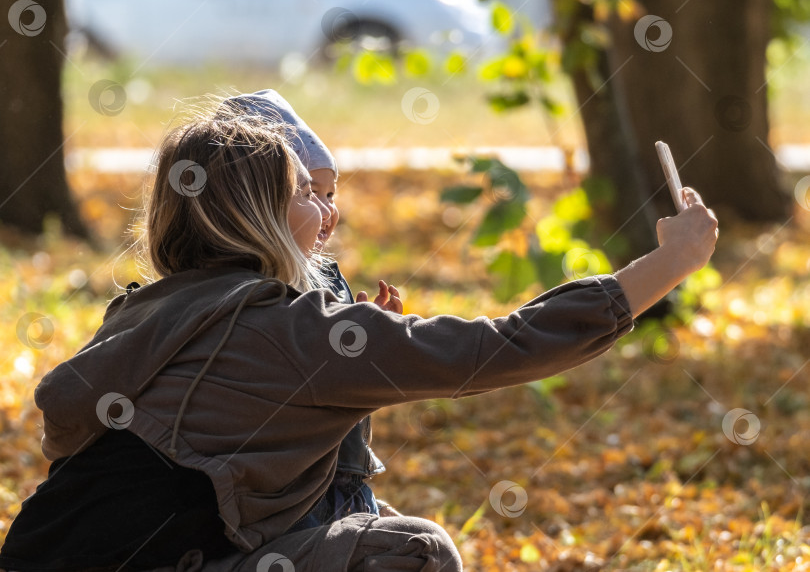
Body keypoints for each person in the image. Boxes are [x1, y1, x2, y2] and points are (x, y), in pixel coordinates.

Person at [0, 101, 718, 572]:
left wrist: (359, 349)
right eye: (306, 193)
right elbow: (504, 343)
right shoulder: (298, 331)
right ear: (259, 219)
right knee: (413, 550)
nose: (327, 212)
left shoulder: (139, 313)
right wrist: (668, 263)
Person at [223, 89, 403, 528]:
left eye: (330, 193)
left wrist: (372, 336)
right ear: (258, 204)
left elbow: (345, 384)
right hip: (296, 492)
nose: (326, 210)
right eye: (308, 193)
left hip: (344, 474)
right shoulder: (258, 291)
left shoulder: (325, 279)